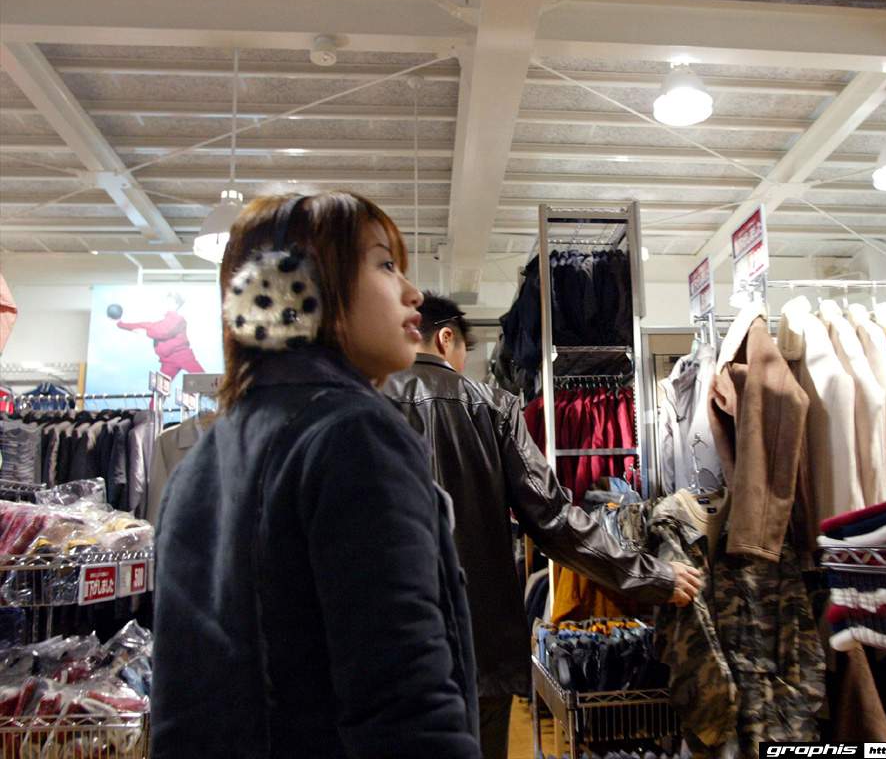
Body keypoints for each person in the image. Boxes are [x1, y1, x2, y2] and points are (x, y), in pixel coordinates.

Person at [152, 194, 481, 758]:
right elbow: (405, 702)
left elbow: (180, 700)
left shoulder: (205, 458)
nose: (414, 294)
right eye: (385, 264)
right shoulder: (355, 434)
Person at [383, 293, 702, 759]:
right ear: (446, 337)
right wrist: (654, 576)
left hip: (387, 651)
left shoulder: (363, 405)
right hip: (480, 648)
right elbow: (555, 521)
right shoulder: (490, 407)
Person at [111, 291, 207, 378]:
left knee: (204, 380)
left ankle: (213, 391)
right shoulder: (162, 322)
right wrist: (121, 324)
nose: (165, 304)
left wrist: (146, 332)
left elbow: (164, 332)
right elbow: (145, 325)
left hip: (183, 356)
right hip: (168, 360)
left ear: (176, 304)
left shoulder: (179, 319)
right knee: (159, 388)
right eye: (165, 301)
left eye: (169, 301)